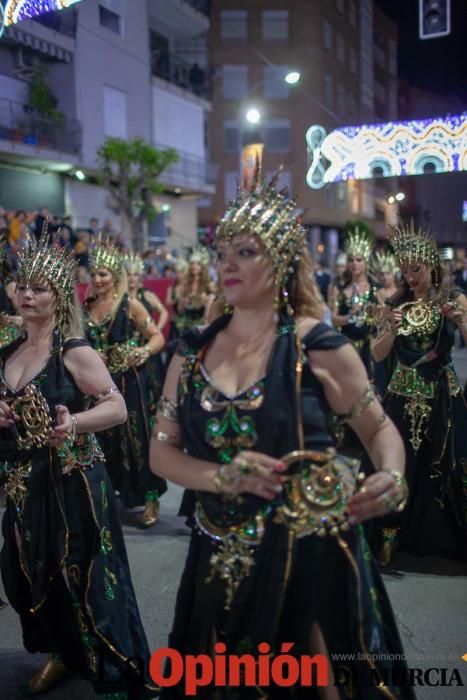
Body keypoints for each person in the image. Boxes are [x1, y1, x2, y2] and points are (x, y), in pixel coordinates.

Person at [150, 172, 413, 699]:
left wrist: (391, 475)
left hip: (308, 557)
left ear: (284, 261)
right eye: (221, 251)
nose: (226, 263)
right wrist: (221, 475)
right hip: (217, 556)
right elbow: (160, 453)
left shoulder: (318, 346)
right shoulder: (190, 351)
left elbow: (379, 428)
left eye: (245, 251)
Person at [0, 226, 158, 698]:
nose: (28, 294)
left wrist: (75, 424)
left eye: (40, 288)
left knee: (85, 577)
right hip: (23, 484)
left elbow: (117, 407)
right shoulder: (8, 351)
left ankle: (110, 662)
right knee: (29, 574)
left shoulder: (73, 351)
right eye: (23, 286)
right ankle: (62, 653)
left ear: (59, 295)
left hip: (74, 485)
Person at [370, 221, 467, 566]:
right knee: (398, 464)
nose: (410, 276)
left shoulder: (454, 300)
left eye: (417, 269)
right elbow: (378, 354)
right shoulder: (394, 303)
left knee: (445, 465)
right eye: (405, 270)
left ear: (431, 265)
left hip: (442, 393)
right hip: (402, 392)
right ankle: (389, 536)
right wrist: (392, 332)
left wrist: (461, 322)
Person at [85, 239, 167, 528]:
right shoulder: (87, 306)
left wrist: (143, 351)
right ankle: (109, 498)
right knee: (104, 440)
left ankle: (150, 498)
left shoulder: (129, 304)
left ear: (115, 275)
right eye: (93, 273)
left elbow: (157, 337)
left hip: (129, 381)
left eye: (103, 274)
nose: (97, 279)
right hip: (97, 385)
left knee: (137, 440)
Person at [331, 229, 380, 383]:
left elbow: (386, 318)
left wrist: (376, 314)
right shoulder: (338, 290)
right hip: (347, 347)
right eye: (351, 260)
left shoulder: (376, 289)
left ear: (366, 262)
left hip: (369, 348)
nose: (354, 264)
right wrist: (350, 316)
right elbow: (333, 319)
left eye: (359, 260)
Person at [125, 251, 169, 419]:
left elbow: (163, 311)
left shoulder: (147, 295)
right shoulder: (119, 299)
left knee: (153, 389)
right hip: (127, 353)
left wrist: (156, 330)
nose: (132, 278)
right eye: (128, 274)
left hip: (148, 348)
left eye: (135, 274)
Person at [372, 250, 399, 397]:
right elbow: (376, 318)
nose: (384, 277)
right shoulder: (377, 293)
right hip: (382, 334)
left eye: (387, 273)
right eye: (381, 274)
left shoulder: (400, 292)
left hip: (397, 337)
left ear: (393, 273)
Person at [166, 258, 188, 341]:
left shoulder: (189, 287)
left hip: (187, 320)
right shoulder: (172, 288)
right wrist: (177, 299)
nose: (178, 275)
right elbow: (167, 302)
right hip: (175, 320)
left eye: (181, 272)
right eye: (177, 272)